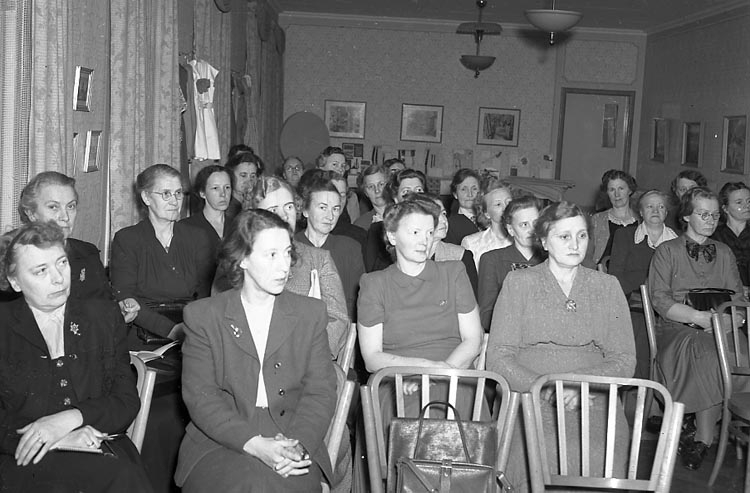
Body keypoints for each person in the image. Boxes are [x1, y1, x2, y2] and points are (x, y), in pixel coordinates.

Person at [175, 210, 337, 493]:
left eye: (287, 253)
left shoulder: (310, 314)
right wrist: (254, 444)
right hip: (220, 437)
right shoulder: (204, 316)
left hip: (292, 434)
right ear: (243, 259)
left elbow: (320, 393)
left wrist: (297, 445)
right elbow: (201, 397)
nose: (284, 266)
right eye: (271, 255)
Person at [487, 201, 636, 491]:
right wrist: (547, 387)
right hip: (529, 393)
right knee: (535, 453)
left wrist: (582, 385)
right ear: (544, 241)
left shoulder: (607, 286)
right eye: (564, 236)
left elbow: (624, 359)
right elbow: (498, 358)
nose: (575, 244)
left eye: (582, 235)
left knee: (597, 452)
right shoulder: (519, 283)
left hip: (593, 394)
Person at [0, 222, 152, 492]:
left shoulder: (103, 317)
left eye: (62, 263)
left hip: (97, 442)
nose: (58, 278)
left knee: (121, 475)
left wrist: (71, 419)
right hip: (22, 456)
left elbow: (126, 401)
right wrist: (55, 439)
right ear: (15, 281)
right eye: (41, 270)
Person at [648, 186, 750, 470]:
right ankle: (704, 437)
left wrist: (734, 320)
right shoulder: (667, 251)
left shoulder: (725, 252)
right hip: (678, 327)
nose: (710, 220)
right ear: (686, 216)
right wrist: (699, 317)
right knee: (708, 352)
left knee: (740, 349)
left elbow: (739, 299)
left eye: (715, 215)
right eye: (703, 214)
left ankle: (707, 425)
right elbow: (660, 300)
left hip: (722, 325)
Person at [357, 196, 483, 418]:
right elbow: (372, 358)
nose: (424, 240)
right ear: (392, 236)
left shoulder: (454, 272)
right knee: (407, 413)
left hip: (454, 373)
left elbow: (473, 340)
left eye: (429, 232)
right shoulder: (374, 284)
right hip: (398, 379)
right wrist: (419, 369)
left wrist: (436, 374)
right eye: (415, 232)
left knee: (458, 405)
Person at [238, 176, 349, 359]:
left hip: (307, 360)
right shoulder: (240, 260)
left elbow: (338, 321)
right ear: (253, 214)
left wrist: (301, 349)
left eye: (289, 207)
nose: (284, 216)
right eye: (273, 210)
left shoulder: (318, 259)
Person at [13, 172, 139, 321]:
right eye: (53, 207)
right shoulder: (15, 259)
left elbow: (104, 305)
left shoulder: (87, 253)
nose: (65, 217)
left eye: (71, 206)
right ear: (31, 213)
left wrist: (118, 311)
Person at [110, 164, 214, 344]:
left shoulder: (197, 237)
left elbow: (205, 294)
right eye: (166, 194)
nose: (175, 201)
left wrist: (192, 330)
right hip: (145, 332)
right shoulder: (127, 239)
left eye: (178, 193)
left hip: (192, 328)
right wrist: (172, 331)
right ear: (146, 197)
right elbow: (125, 295)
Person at [608, 190, 677, 379]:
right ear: (640, 211)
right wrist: (642, 289)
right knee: (640, 330)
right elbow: (615, 277)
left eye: (660, 207)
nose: (655, 211)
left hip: (669, 305)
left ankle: (664, 386)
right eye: (649, 206)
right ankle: (639, 386)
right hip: (633, 304)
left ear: (666, 212)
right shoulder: (625, 235)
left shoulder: (678, 241)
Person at [296, 172, 365, 321]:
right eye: (323, 208)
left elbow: (357, 300)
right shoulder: (291, 248)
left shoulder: (350, 248)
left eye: (335, 209)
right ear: (305, 210)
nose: (330, 216)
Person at [478, 195, 544, 331]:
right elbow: (486, 315)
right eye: (524, 225)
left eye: (536, 223)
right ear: (510, 229)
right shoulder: (492, 260)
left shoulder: (552, 259)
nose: (532, 230)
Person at [415, 193, 478, 298]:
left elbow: (471, 300)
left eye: (444, 213)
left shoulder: (460, 257)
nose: (443, 220)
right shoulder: (402, 256)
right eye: (435, 216)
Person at [180, 165, 236, 283]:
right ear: (202, 193)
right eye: (215, 188)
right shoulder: (185, 228)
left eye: (227, 187)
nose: (223, 194)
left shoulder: (238, 226)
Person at [363, 169, 426, 272]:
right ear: (396, 199)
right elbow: (374, 273)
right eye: (406, 192)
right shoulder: (378, 230)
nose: (414, 196)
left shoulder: (436, 225)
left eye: (419, 190)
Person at [461, 177, 513, 269]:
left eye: (509, 203)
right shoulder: (472, 243)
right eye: (498, 204)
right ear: (486, 213)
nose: (506, 208)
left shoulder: (523, 241)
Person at [590, 169, 638, 268]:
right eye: (612, 190)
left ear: (630, 190)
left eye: (621, 189)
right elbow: (587, 256)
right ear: (607, 193)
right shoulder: (597, 220)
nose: (617, 194)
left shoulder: (642, 220)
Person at [713, 182, 750, 290]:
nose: (747, 206)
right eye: (739, 202)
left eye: (749, 201)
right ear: (725, 208)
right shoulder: (714, 236)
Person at [445, 168, 481, 245]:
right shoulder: (450, 224)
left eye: (474, 189)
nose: (470, 194)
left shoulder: (490, 218)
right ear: (455, 194)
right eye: (463, 189)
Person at [226, 151, 265, 218]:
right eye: (243, 175)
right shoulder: (226, 207)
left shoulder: (257, 202)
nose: (248, 181)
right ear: (231, 176)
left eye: (253, 176)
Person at [354, 164, 389, 231]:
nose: (377, 190)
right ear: (366, 193)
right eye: (371, 186)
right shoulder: (361, 225)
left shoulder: (404, 215)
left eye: (381, 184)